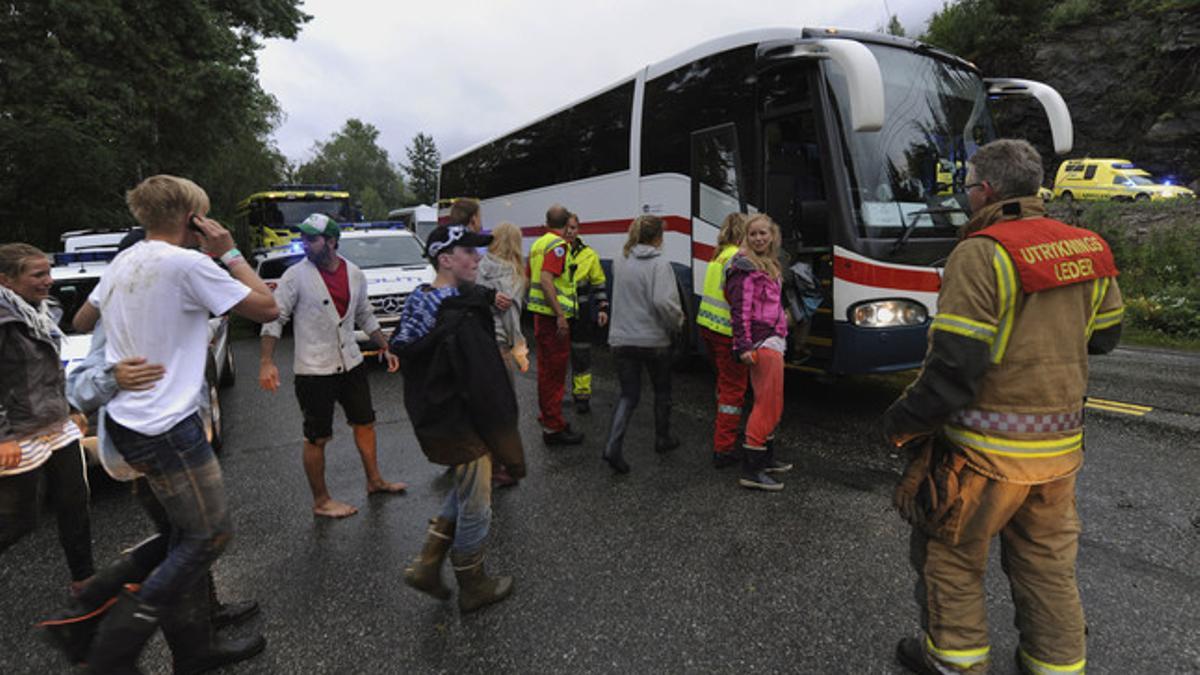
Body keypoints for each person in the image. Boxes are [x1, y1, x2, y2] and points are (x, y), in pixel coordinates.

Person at [882, 139, 1123, 675]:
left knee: (951, 558)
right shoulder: (1087, 246)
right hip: (1059, 456)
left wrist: (901, 423)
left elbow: (953, 367)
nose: (968, 195)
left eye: (968, 186)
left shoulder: (981, 252)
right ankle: (1055, 666)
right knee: (1047, 566)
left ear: (985, 190)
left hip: (983, 458)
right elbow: (1105, 338)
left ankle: (954, 664)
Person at [71, 174, 279, 672]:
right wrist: (229, 253)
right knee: (209, 536)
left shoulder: (126, 259)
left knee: (181, 537)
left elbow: (81, 321)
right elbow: (267, 308)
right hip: (168, 428)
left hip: (126, 425)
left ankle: (188, 648)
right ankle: (108, 636)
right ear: (193, 218)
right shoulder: (188, 263)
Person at [42, 311, 264, 673]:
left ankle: (202, 624)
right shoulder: (122, 317)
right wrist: (114, 376)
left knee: (186, 539)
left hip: (180, 445)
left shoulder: (164, 309)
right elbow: (80, 386)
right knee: (194, 539)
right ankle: (108, 631)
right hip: (152, 452)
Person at [392, 224, 525, 613]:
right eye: (468, 252)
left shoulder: (424, 301)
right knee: (478, 503)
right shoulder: (460, 316)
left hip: (440, 418)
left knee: (466, 489)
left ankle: (428, 564)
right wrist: (503, 433)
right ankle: (473, 582)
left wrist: (484, 296)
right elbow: (483, 383)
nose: (478, 258)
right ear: (445, 259)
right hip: (464, 422)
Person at [258, 213, 407, 518]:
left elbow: (364, 314)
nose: (305, 243)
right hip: (313, 370)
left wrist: (384, 345)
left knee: (365, 422)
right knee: (317, 436)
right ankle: (322, 500)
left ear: (331, 241)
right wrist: (266, 361)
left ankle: (374, 481)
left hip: (350, 362)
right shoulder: (295, 276)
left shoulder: (353, 273)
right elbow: (275, 317)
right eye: (304, 238)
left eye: (311, 239)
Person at [0, 243, 95, 594]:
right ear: (6, 280)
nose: (48, 281)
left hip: (55, 425)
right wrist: (3, 437)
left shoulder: (39, 312)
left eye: (48, 272)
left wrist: (69, 407)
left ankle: (85, 581)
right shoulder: (5, 317)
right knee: (19, 520)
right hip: (19, 431)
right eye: (37, 274)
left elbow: (48, 372)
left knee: (75, 502)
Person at [601, 215, 684, 474]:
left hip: (622, 339)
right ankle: (662, 438)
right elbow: (663, 302)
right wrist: (678, 321)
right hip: (653, 340)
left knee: (628, 395)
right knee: (662, 391)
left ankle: (613, 447)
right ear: (659, 236)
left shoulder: (620, 260)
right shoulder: (660, 264)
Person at [726, 214, 794, 492]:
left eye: (763, 233)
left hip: (774, 339)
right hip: (761, 342)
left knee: (774, 403)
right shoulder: (744, 268)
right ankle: (752, 469)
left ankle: (765, 458)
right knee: (766, 404)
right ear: (746, 236)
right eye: (753, 234)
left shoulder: (769, 264)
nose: (759, 238)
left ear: (772, 235)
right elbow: (739, 311)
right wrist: (743, 346)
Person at [477, 222, 530, 488]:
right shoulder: (512, 274)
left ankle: (482, 462)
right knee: (505, 409)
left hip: (478, 342)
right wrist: (517, 346)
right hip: (499, 345)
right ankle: (501, 467)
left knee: (484, 406)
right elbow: (510, 317)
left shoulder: (481, 265)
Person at [696, 212, 750, 468]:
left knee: (723, 384)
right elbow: (738, 303)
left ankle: (723, 429)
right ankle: (724, 448)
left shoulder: (718, 255)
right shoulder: (737, 259)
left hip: (708, 327)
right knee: (733, 391)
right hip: (728, 333)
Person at [527, 204, 584, 445]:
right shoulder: (558, 246)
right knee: (555, 373)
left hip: (540, 317)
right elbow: (546, 279)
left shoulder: (539, 243)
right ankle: (553, 425)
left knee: (545, 371)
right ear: (564, 222)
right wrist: (560, 315)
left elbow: (531, 276)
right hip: (552, 319)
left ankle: (550, 417)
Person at [563, 212, 609, 414]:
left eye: (574, 228)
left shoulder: (589, 255)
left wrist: (602, 308)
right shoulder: (554, 251)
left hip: (581, 314)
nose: (570, 231)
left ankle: (582, 396)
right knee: (559, 358)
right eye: (567, 227)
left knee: (582, 356)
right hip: (559, 313)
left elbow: (598, 283)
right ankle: (555, 397)